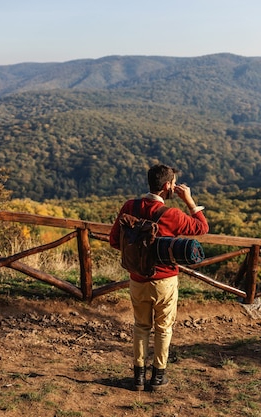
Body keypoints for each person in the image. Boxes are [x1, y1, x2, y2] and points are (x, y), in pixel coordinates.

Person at [109, 164, 209, 391]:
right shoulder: (172, 215)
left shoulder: (129, 206)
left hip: (136, 279)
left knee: (140, 326)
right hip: (165, 280)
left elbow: (115, 240)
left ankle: (138, 378)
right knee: (164, 328)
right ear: (167, 186)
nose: (175, 187)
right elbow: (202, 227)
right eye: (174, 183)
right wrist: (189, 200)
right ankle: (158, 376)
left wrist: (137, 255)